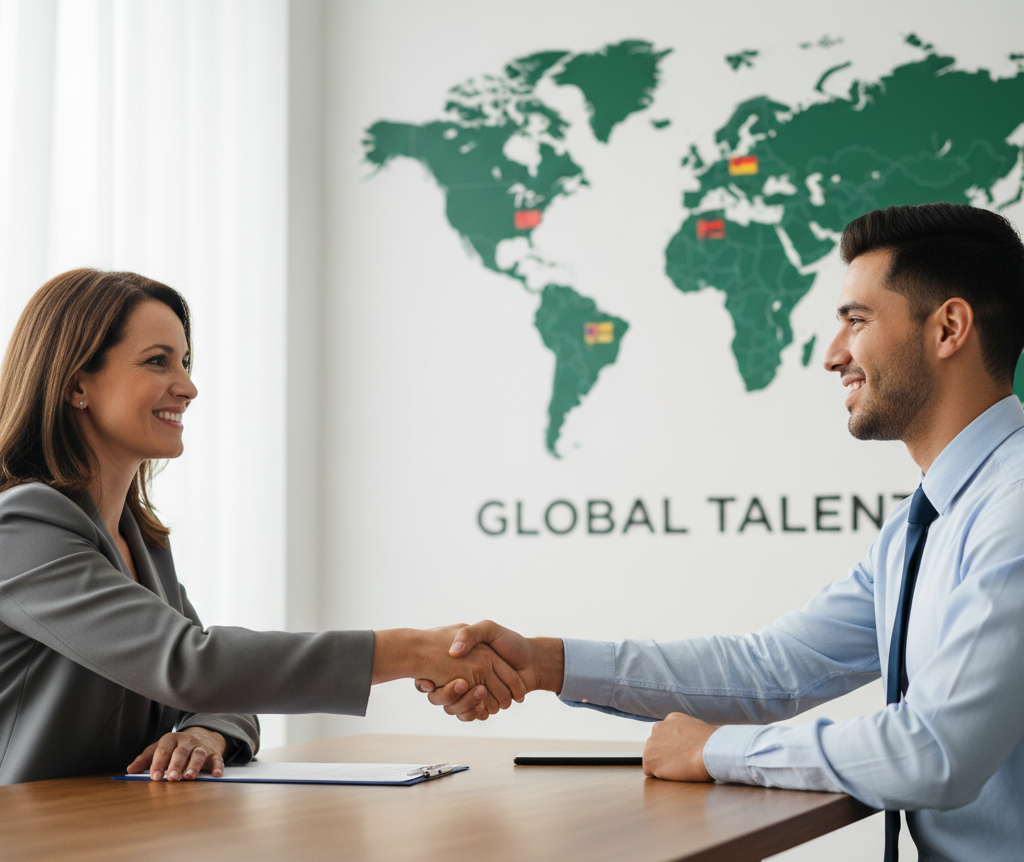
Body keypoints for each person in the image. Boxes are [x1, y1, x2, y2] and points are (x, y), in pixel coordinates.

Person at [420, 203, 1024, 862]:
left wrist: (714, 750)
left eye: (856, 320)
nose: (832, 355)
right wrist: (543, 664)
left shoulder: (1013, 509)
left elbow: (934, 753)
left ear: (949, 328)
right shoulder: (929, 520)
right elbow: (773, 668)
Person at [0, 268, 523, 786]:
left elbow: (225, 693)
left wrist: (205, 735)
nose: (188, 387)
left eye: (184, 362)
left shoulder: (140, 541)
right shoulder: (22, 529)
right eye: (158, 362)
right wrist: (410, 650)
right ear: (76, 386)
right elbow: (192, 665)